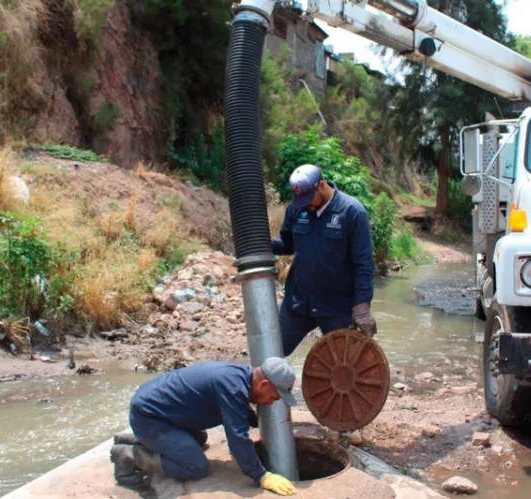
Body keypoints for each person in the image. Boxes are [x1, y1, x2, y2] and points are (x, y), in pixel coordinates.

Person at [111, 358, 299, 496]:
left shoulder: (239, 377)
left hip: (160, 411)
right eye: (274, 397)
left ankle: (142, 439)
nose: (271, 402)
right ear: (264, 384)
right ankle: (130, 456)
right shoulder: (233, 387)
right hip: (148, 417)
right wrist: (262, 476)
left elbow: (239, 413)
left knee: (200, 440)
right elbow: (238, 439)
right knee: (196, 466)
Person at [272, 164, 377, 356]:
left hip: (337, 308)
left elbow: (364, 264)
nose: (305, 204)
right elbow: (287, 245)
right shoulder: (296, 209)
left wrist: (362, 307)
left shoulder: (352, 212)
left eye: (308, 198)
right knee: (271, 352)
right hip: (298, 303)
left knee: (344, 367)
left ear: (321, 185)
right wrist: (261, 243)